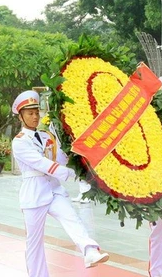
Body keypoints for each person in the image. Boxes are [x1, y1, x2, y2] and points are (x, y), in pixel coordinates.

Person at [11, 90, 108, 276]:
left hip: (54, 189)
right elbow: (42, 164)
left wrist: (79, 158)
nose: (34, 117)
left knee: (72, 217)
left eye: (36, 112)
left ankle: (89, 251)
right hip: (34, 193)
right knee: (34, 242)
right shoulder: (20, 142)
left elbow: (60, 158)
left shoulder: (47, 136)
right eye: (30, 113)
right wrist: (71, 174)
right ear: (21, 117)